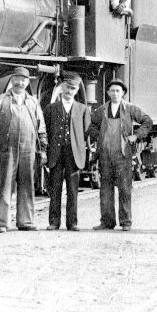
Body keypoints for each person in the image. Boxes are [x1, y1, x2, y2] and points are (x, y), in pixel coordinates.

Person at [0, 67, 47, 232]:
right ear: (12, 80)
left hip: (28, 148)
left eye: (24, 80)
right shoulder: (0, 100)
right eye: (17, 79)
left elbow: (41, 127)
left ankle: (25, 222)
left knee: (27, 185)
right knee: (5, 185)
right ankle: (3, 223)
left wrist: (43, 148)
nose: (20, 82)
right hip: (7, 149)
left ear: (27, 82)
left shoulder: (33, 102)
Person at [89, 78, 153, 231]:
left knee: (125, 189)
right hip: (105, 154)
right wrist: (99, 136)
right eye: (112, 91)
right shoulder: (102, 110)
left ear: (123, 93)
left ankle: (126, 222)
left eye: (118, 91)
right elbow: (90, 125)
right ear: (108, 93)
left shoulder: (130, 109)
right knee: (105, 189)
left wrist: (136, 135)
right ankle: (107, 221)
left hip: (123, 155)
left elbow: (147, 121)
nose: (115, 93)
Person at [42, 72, 91, 231]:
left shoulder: (83, 109)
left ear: (77, 91)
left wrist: (86, 151)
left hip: (74, 154)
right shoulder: (50, 109)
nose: (70, 91)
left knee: (73, 190)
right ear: (61, 87)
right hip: (55, 153)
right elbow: (46, 131)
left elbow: (87, 133)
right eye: (67, 87)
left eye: (73, 89)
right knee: (55, 189)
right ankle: (54, 222)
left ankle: (72, 223)